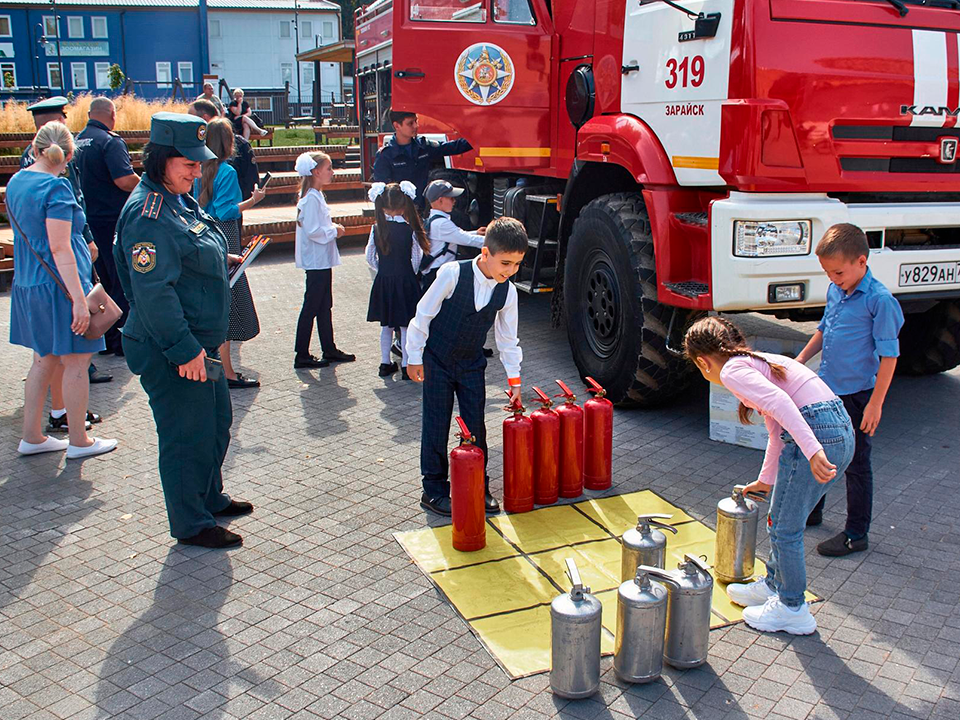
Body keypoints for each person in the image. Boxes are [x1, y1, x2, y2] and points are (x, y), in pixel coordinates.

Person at [114, 112, 253, 549]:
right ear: (160, 161)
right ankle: (191, 523)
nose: (197, 171)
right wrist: (183, 350)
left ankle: (208, 496)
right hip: (172, 346)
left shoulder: (177, 197)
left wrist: (222, 260)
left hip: (199, 343)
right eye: (188, 164)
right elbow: (155, 293)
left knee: (215, 423)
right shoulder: (147, 214)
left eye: (198, 164)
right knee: (184, 435)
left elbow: (195, 243)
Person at [684, 316, 854, 635]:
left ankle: (793, 609)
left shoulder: (733, 371)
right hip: (837, 428)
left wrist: (813, 450)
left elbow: (781, 402)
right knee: (779, 520)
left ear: (703, 362)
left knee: (785, 528)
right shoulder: (753, 360)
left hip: (818, 435)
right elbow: (776, 430)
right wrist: (767, 479)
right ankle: (776, 585)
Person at [7, 121, 118, 459]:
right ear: (69, 154)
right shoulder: (57, 188)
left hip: (29, 283)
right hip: (60, 289)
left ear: (35, 148)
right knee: (77, 361)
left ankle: (32, 435)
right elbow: (60, 249)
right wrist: (79, 302)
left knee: (44, 359)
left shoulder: (16, 181)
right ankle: (78, 440)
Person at [406, 217, 527, 516]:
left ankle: (478, 485)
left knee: (476, 427)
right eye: (505, 263)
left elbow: (508, 340)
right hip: (437, 360)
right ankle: (433, 490)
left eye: (516, 264)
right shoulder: (451, 274)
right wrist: (414, 356)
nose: (510, 271)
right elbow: (422, 315)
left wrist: (515, 382)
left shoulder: (507, 292)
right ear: (485, 254)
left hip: (472, 364)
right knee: (436, 424)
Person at [795, 223, 904, 556]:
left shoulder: (879, 300)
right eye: (828, 273)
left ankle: (856, 533)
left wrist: (875, 404)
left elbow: (889, 356)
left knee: (856, 464)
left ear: (861, 261)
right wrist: (799, 362)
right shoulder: (836, 290)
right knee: (821, 452)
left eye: (838, 272)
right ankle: (813, 511)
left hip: (858, 396)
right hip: (828, 391)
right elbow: (824, 330)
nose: (833, 278)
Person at [195, 118, 266, 389]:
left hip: (204, 235)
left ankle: (216, 368)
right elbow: (226, 210)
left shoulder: (200, 169)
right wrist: (254, 200)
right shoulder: (226, 171)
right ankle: (226, 372)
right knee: (228, 304)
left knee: (215, 304)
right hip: (225, 236)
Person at [75, 97, 140, 357]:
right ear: (112, 116)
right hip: (112, 220)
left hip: (87, 222)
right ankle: (119, 340)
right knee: (119, 280)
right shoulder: (110, 141)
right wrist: (149, 186)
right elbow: (124, 180)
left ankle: (102, 337)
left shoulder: (77, 140)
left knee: (97, 281)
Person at [293, 151, 356, 369]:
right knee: (311, 305)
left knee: (323, 305)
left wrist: (331, 229)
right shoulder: (310, 198)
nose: (332, 172)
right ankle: (301, 353)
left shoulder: (316, 195)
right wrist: (334, 231)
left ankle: (328, 348)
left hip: (321, 260)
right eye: (328, 168)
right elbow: (313, 231)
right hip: (316, 261)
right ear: (316, 171)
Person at [365, 181, 428, 378]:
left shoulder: (376, 228)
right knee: (406, 325)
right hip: (405, 281)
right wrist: (408, 271)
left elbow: (369, 256)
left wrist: (383, 269)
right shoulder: (410, 229)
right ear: (404, 206)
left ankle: (385, 363)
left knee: (386, 325)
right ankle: (407, 366)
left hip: (384, 281)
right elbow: (416, 257)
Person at [372, 110, 472, 207]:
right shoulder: (385, 156)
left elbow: (453, 147)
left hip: (422, 209)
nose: (416, 126)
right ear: (397, 126)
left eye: (416, 121)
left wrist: (477, 138)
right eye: (410, 123)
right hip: (400, 213)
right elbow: (383, 192)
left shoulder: (423, 146)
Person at [421, 179, 485, 291]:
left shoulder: (434, 220)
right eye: (451, 198)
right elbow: (467, 240)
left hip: (435, 272)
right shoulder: (442, 224)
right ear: (440, 200)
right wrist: (496, 241)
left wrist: (476, 232)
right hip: (438, 274)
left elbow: (455, 236)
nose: (454, 201)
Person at [190, 99, 259, 201]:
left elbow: (249, 179)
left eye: (191, 117)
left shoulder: (241, 146)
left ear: (204, 118)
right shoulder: (195, 145)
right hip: (229, 211)